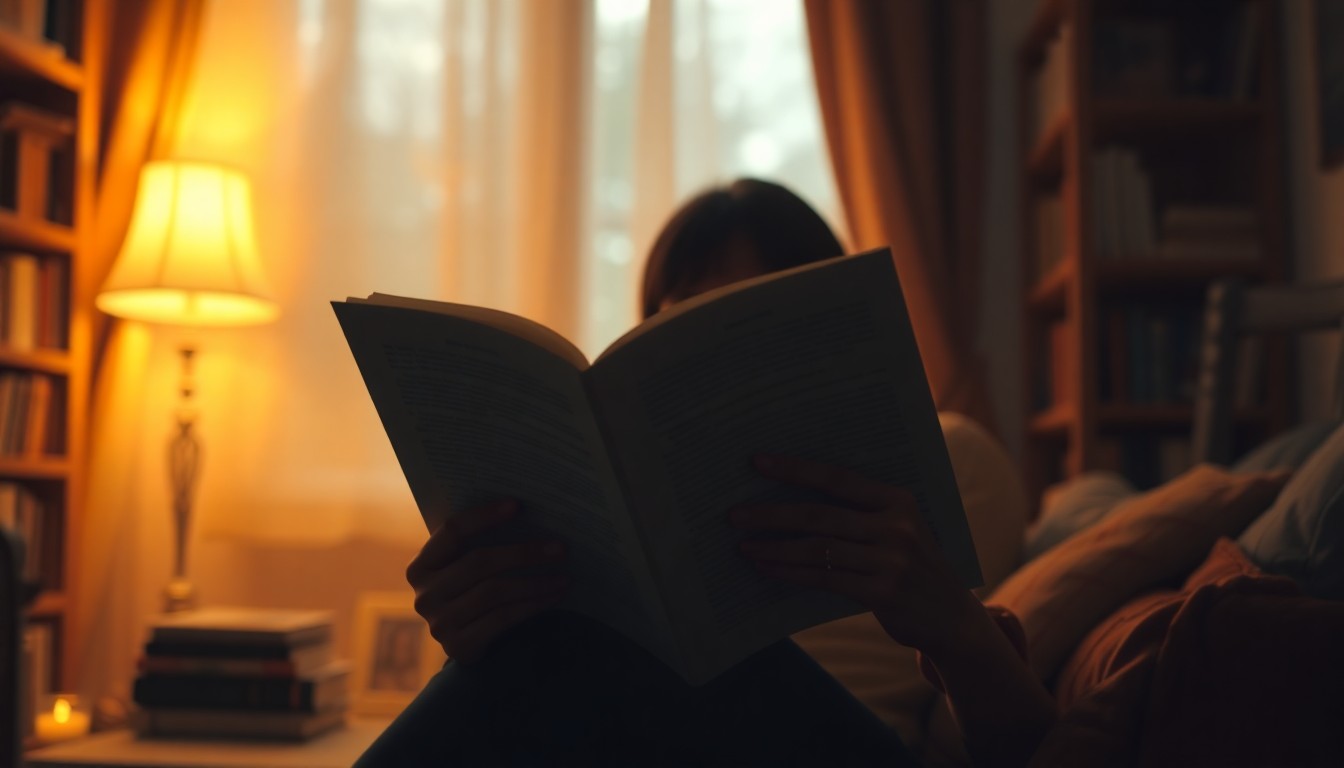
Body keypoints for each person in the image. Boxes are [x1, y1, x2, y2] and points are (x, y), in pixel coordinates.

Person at [355, 179, 1054, 766]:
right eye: (683, 319)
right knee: (561, 633)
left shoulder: (957, 456)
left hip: (834, 741)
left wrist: (955, 629)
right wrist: (478, 631)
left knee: (611, 641)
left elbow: (1021, 748)